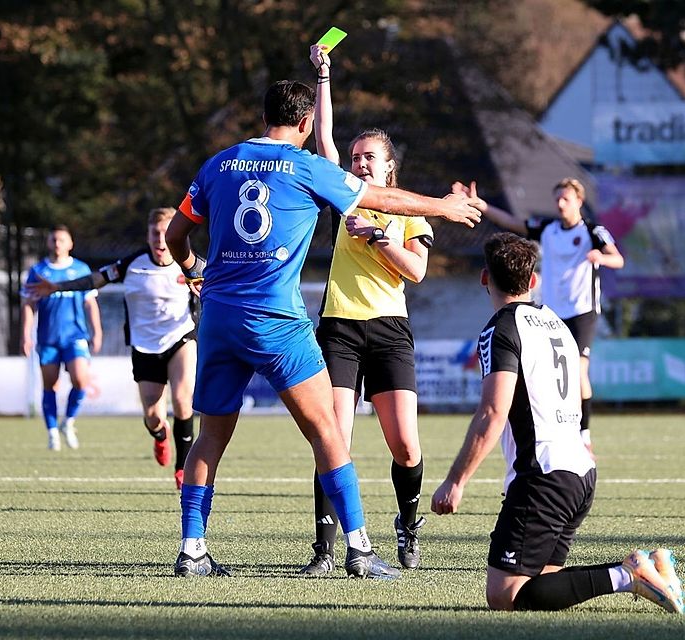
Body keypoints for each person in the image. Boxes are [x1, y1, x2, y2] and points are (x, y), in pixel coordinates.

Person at [165, 79, 483, 579]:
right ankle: (358, 549)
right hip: (276, 319)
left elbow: (174, 234)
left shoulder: (217, 164)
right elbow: (383, 199)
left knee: (210, 438)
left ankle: (192, 550)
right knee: (328, 432)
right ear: (306, 123)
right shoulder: (306, 167)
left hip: (220, 318)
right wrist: (443, 207)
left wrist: (195, 272)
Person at [430, 232, 683, 614]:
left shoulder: (501, 328)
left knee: (505, 596)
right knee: (542, 588)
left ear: (485, 278)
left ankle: (628, 574)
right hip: (580, 473)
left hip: (543, 476)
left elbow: (492, 412)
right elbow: (581, 387)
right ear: (533, 281)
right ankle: (654, 567)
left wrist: (455, 482)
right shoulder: (556, 323)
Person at [296, 45, 430, 577]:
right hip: (339, 328)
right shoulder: (345, 195)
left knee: (405, 445)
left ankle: (407, 522)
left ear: (389, 166)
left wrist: (377, 237)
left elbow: (415, 271)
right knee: (333, 438)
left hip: (390, 330)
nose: (358, 163)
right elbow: (324, 138)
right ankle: (324, 551)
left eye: (368, 157)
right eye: (354, 158)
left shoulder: (407, 209)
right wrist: (324, 74)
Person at [25, 208, 198, 488]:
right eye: (155, 233)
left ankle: (183, 469)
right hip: (144, 346)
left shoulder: (189, 262)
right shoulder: (132, 263)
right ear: (148, 235)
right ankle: (160, 435)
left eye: (166, 233)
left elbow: (218, 281)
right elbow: (95, 280)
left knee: (182, 400)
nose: (161, 239)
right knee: (153, 416)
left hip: (181, 338)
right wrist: (56, 287)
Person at [452, 178, 623, 452]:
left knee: (578, 372)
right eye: (557, 199)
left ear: (579, 201)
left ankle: (584, 436)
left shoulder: (593, 231)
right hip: (553, 311)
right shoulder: (548, 229)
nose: (560, 204)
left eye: (565, 199)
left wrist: (600, 258)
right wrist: (482, 205)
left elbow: (618, 258)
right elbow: (514, 224)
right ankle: (553, 427)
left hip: (581, 310)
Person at [21, 224, 102, 451]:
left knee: (80, 380)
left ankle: (68, 422)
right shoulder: (38, 272)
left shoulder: (81, 269)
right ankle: (52, 432)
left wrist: (97, 331)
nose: (57, 244)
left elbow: (90, 302)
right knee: (50, 384)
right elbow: (28, 305)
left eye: (61, 240)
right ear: (48, 243)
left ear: (70, 244)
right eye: (53, 240)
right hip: (48, 338)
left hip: (75, 336)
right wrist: (26, 336)